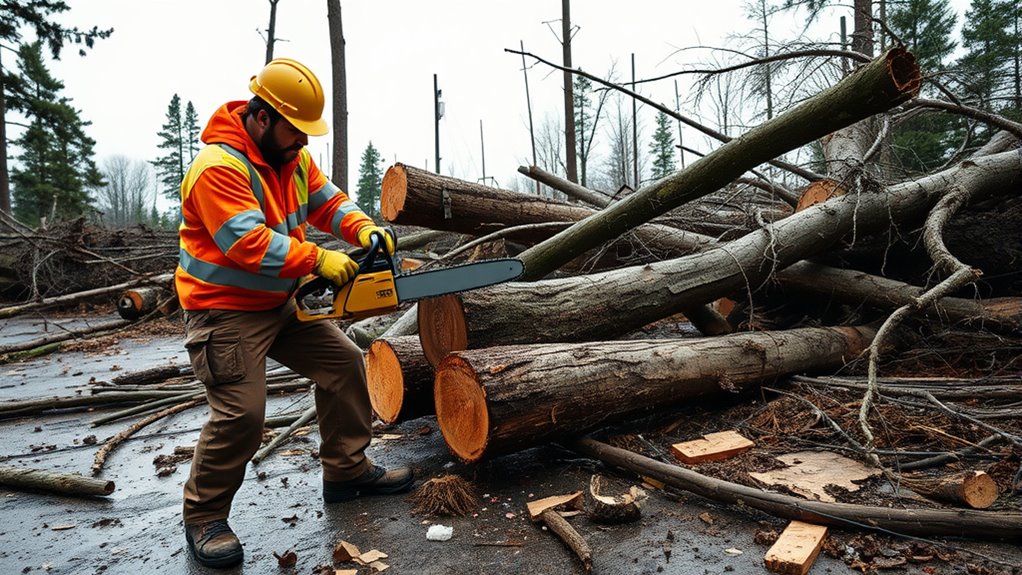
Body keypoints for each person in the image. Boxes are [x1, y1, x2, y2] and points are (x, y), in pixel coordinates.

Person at [175, 57, 413, 569]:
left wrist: (364, 229)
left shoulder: (294, 159)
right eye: (295, 130)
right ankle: (204, 515)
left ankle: (346, 470)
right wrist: (318, 259)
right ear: (262, 117)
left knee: (344, 365)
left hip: (279, 303)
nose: (303, 141)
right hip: (223, 312)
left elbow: (330, 203)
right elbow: (247, 243)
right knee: (243, 414)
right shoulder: (217, 167)